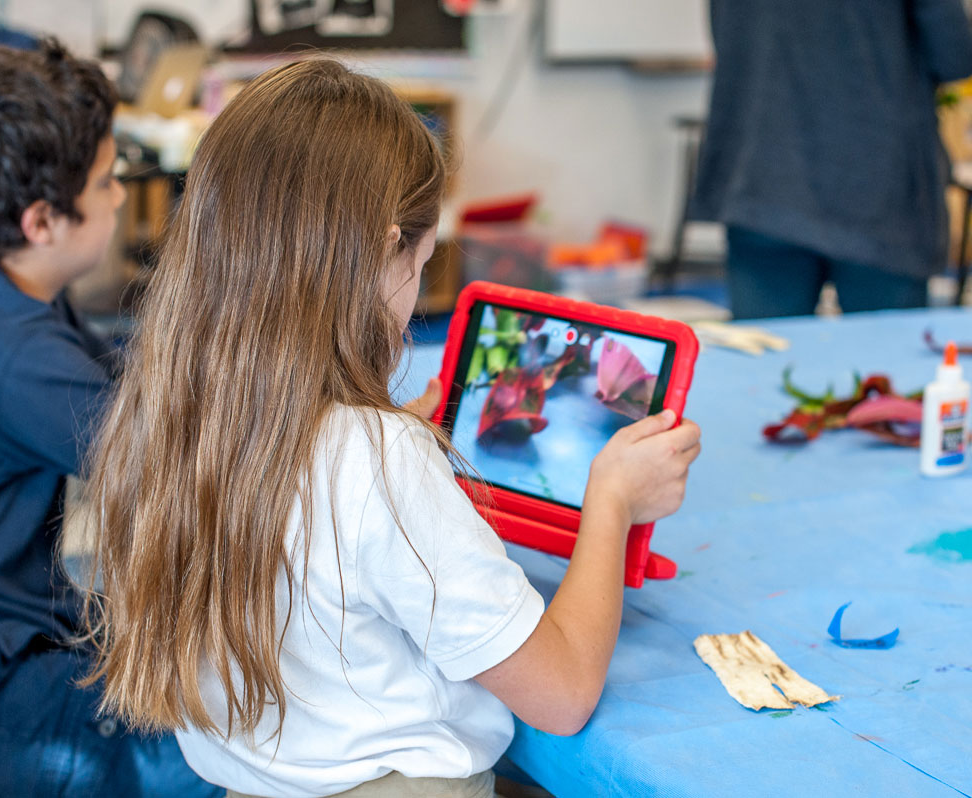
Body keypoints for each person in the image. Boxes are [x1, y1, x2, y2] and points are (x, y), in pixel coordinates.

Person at [79, 59, 702, 798]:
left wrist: (380, 447)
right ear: (382, 249)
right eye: (420, 261)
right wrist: (612, 504)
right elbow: (562, 695)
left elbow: (304, 491)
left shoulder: (165, 408)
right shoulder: (375, 462)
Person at [0, 41, 221, 797]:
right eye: (104, 181)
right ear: (41, 221)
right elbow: (182, 473)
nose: (122, 194)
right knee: (213, 755)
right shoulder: (10, 353)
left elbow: (134, 393)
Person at [692, 0, 972, 319]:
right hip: (876, 187)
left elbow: (728, 37)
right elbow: (956, 57)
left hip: (760, 176)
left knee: (770, 357)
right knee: (883, 362)